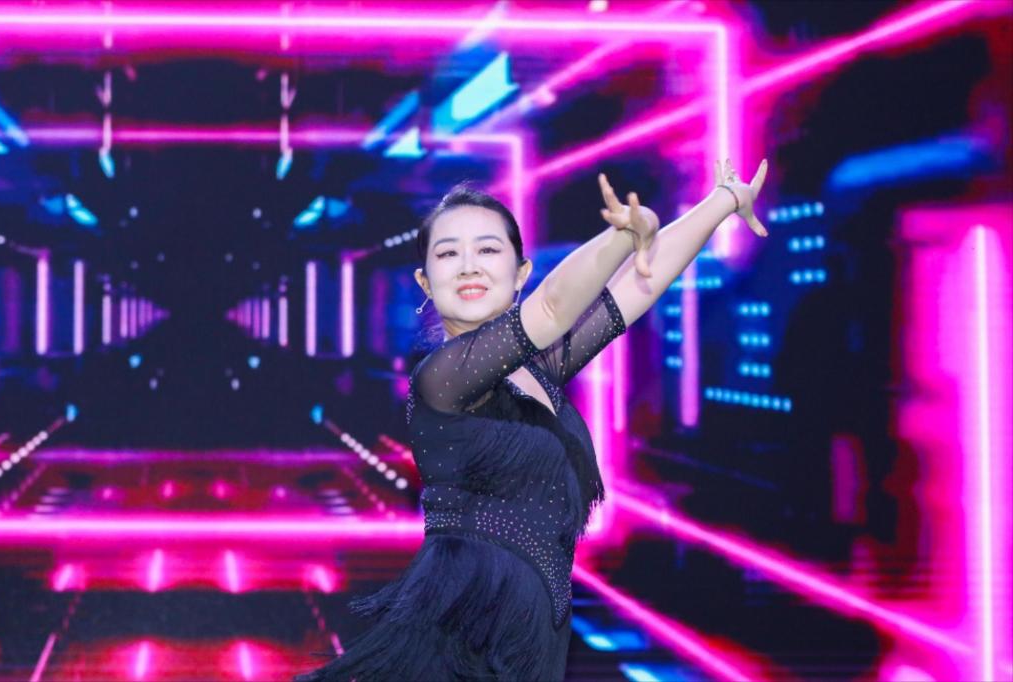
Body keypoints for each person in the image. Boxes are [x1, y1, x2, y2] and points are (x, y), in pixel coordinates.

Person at [296, 158, 768, 682]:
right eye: (448, 253)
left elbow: (643, 283)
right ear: (425, 282)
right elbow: (551, 309)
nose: (469, 266)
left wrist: (724, 200)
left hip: (533, 628)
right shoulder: (442, 376)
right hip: (467, 629)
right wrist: (622, 235)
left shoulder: (539, 372)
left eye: (488, 250)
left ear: (520, 273)